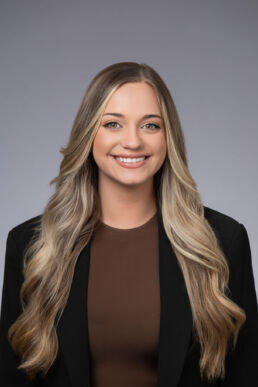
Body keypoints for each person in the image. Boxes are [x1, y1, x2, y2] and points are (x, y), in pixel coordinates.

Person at [0, 62, 257, 387]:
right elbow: (12, 376)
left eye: (150, 125)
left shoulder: (223, 241)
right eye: (113, 124)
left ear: (169, 138)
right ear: (88, 134)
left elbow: (245, 374)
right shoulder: (30, 246)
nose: (133, 142)